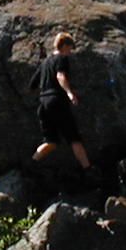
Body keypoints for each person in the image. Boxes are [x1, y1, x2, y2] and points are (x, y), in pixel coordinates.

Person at [32, 32, 92, 170]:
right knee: (74, 138)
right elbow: (60, 76)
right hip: (57, 101)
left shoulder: (45, 63)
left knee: (51, 141)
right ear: (64, 46)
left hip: (43, 103)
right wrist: (69, 93)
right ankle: (88, 170)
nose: (70, 52)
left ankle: (33, 163)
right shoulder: (61, 59)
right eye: (70, 48)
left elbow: (33, 84)